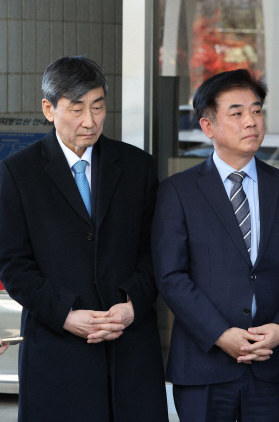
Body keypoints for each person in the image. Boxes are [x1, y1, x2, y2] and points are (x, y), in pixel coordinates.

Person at [0, 56, 167, 421]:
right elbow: (13, 264)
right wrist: (66, 314)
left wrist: (132, 304)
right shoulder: (18, 173)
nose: (90, 121)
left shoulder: (137, 166)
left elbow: (154, 250)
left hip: (129, 348)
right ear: (49, 109)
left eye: (98, 106)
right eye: (77, 109)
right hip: (58, 351)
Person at [152, 69, 279, 421]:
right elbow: (171, 276)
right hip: (204, 365)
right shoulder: (178, 191)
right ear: (208, 126)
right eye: (236, 113)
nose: (251, 121)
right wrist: (220, 334)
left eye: (256, 111)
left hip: (272, 364)